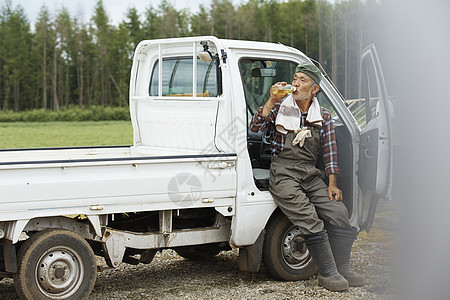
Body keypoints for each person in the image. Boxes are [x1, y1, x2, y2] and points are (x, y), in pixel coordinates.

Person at [250, 61, 365, 291]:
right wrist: (272, 99)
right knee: (309, 216)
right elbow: (256, 126)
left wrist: (332, 184)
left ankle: (343, 268)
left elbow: (330, 153)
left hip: (311, 173)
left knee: (338, 211)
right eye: (295, 79)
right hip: (283, 173)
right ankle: (328, 273)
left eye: (303, 80)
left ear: (315, 89)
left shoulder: (323, 115)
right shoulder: (280, 108)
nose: (296, 83)